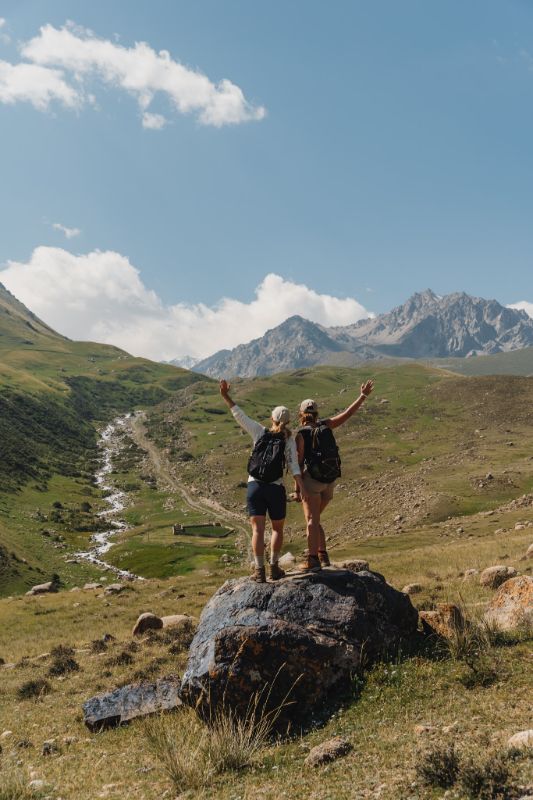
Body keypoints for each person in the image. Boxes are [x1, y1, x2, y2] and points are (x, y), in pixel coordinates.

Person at [219, 379, 306, 582]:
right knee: (277, 529)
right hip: (275, 488)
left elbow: (239, 415)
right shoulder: (288, 439)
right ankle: (274, 567)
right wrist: (300, 489)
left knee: (257, 530)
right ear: (288, 421)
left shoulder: (259, 432)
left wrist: (225, 395)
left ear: (272, 418)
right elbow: (294, 466)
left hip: (255, 485)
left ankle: (259, 571)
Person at [295, 380, 374, 572]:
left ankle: (312, 559)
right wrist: (362, 396)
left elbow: (298, 463)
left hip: (313, 482)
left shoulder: (301, 434)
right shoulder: (326, 425)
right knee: (314, 519)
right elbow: (347, 414)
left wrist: (298, 489)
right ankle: (323, 556)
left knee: (312, 521)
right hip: (329, 482)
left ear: (301, 414)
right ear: (316, 413)